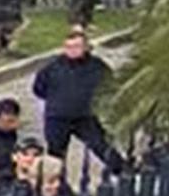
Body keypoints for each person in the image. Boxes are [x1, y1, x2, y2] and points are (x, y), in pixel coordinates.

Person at [33, 30, 124, 180]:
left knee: (101, 146)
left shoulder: (97, 66)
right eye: (69, 47)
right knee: (55, 155)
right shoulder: (52, 67)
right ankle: (55, 184)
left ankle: (123, 172)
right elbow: (39, 88)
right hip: (58, 117)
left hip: (85, 116)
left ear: (85, 47)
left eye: (77, 47)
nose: (72, 51)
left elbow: (110, 87)